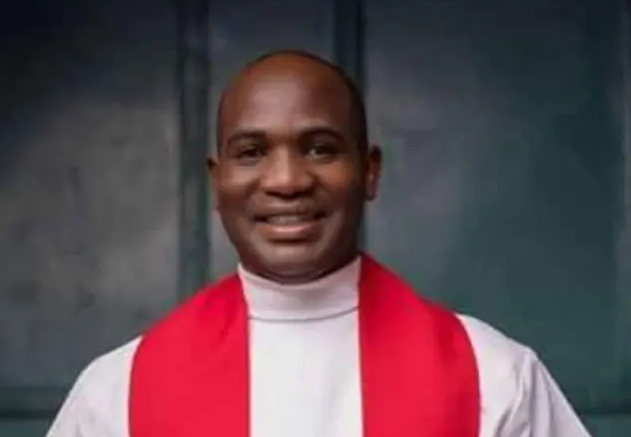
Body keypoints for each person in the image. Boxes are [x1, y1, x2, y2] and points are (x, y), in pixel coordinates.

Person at [45, 50, 592, 437]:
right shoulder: (118, 393)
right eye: (252, 152)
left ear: (370, 171)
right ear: (217, 181)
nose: (286, 180)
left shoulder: (494, 376)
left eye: (320, 149)